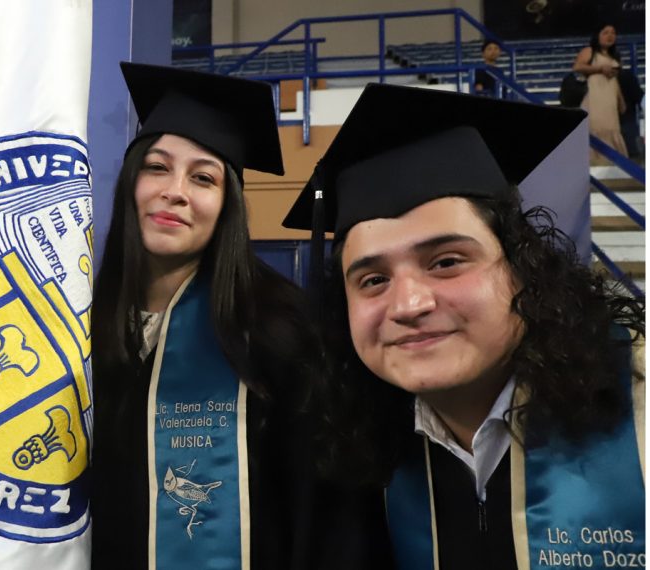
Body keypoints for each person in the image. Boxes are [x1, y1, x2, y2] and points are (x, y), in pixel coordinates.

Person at [284, 83, 645, 569]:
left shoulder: (637, 400)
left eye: (447, 262)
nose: (408, 304)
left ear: (524, 268)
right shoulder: (355, 449)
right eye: (372, 279)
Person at [90, 63, 389, 569]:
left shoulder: (279, 330)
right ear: (130, 182)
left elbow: (326, 517)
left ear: (227, 203)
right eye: (157, 167)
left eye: (203, 177)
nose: (175, 191)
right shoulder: (83, 325)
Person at [573, 23, 629, 164]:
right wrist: (599, 69)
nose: (610, 36)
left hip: (610, 97)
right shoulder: (589, 51)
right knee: (596, 127)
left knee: (612, 128)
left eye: (613, 33)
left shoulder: (614, 56)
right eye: (606, 32)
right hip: (595, 96)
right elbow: (577, 66)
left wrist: (621, 100)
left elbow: (615, 80)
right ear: (597, 35)